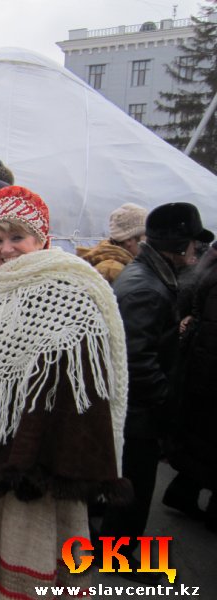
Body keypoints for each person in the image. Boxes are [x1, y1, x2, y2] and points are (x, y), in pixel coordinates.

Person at [0, 186, 129, 600]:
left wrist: (33, 453)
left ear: (42, 240)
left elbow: (79, 389)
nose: (5, 249)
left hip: (36, 458)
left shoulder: (69, 293)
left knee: (28, 550)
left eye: (17, 237)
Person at [99, 203, 214, 578]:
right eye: (195, 245)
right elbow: (135, 360)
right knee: (133, 487)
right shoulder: (147, 287)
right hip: (138, 413)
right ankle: (115, 558)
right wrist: (165, 397)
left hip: (138, 409)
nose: (198, 254)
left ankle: (113, 548)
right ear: (180, 246)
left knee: (130, 485)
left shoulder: (150, 275)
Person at [164, 240, 217, 532]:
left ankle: (184, 490)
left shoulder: (209, 267)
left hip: (200, 371)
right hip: (206, 374)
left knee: (204, 441)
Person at [77, 203, 147, 284]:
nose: (148, 242)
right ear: (129, 240)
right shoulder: (111, 270)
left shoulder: (116, 262)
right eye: (145, 236)